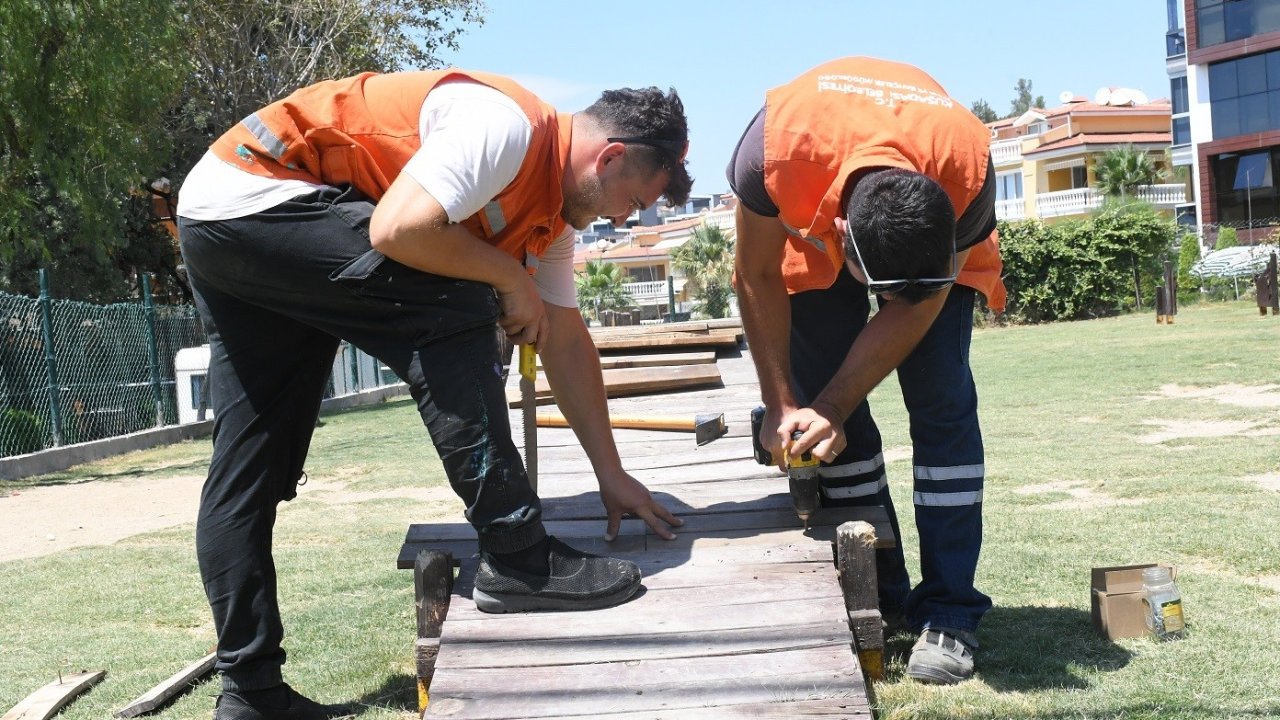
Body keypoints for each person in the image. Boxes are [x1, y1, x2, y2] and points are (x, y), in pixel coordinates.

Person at [175, 69, 691, 719]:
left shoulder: (550, 218)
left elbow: (565, 339)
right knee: (457, 304)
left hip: (218, 218)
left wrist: (610, 472)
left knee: (249, 467)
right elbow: (399, 230)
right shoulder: (504, 128)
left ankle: (250, 695)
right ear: (610, 157)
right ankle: (518, 555)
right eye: (634, 202)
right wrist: (507, 276)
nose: (625, 218)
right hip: (261, 194)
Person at [728, 56, 1005, 685]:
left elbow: (922, 300)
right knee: (828, 419)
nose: (893, 304)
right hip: (810, 205)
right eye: (886, 289)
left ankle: (950, 611)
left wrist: (834, 401)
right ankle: (876, 587)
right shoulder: (770, 153)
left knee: (943, 406)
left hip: (938, 214)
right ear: (843, 236)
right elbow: (758, 274)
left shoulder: (970, 168)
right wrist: (785, 404)